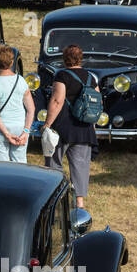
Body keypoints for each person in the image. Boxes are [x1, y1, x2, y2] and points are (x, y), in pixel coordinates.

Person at [42, 43, 99, 210]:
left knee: (54, 163)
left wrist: (47, 124)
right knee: (81, 167)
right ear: (81, 58)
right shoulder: (91, 77)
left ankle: (55, 198)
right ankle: (79, 203)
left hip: (63, 128)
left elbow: (57, 100)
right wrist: (92, 126)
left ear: (64, 59)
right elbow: (97, 102)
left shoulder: (62, 76)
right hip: (84, 128)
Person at [0, 46, 35, 163]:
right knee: (20, 165)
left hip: (0, 129)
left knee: (1, 169)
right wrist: (26, 131)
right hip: (20, 128)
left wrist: (7, 134)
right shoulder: (21, 81)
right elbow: (31, 109)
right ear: (12, 62)